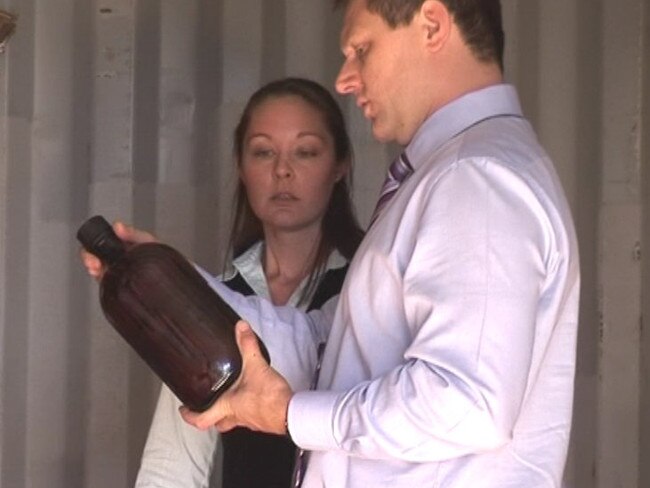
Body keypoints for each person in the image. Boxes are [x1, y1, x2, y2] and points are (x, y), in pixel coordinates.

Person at [119, 1, 582, 486]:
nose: (345, 78)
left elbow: (466, 401)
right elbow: (325, 350)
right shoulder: (451, 174)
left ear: (431, 24)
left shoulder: (475, 178)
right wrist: (172, 281)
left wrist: (291, 415)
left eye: (362, 49)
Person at [81, 77, 364, 488]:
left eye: (305, 152)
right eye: (263, 152)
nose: (282, 170)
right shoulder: (212, 300)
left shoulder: (366, 286)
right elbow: (173, 463)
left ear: (340, 164)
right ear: (241, 166)